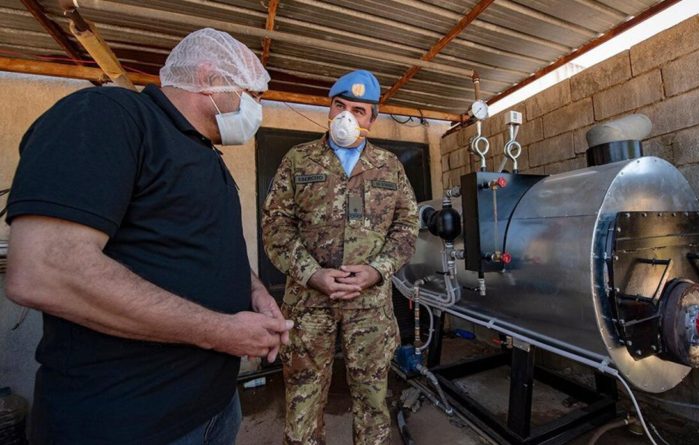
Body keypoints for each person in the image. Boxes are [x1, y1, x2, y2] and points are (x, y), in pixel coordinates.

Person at [4, 28, 292, 444]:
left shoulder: (205, 155)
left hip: (211, 407)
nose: (257, 108)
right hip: (127, 421)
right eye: (254, 95)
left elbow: (207, 246)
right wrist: (221, 331)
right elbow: (45, 269)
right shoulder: (109, 114)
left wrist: (255, 292)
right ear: (211, 81)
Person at [262, 70, 419, 445]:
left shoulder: (390, 166)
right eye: (340, 106)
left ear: (372, 119)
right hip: (307, 304)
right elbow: (276, 226)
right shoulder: (298, 160)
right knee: (303, 399)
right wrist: (312, 274)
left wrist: (377, 271)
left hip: (370, 306)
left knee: (372, 399)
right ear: (329, 110)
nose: (347, 116)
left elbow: (407, 227)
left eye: (359, 110)